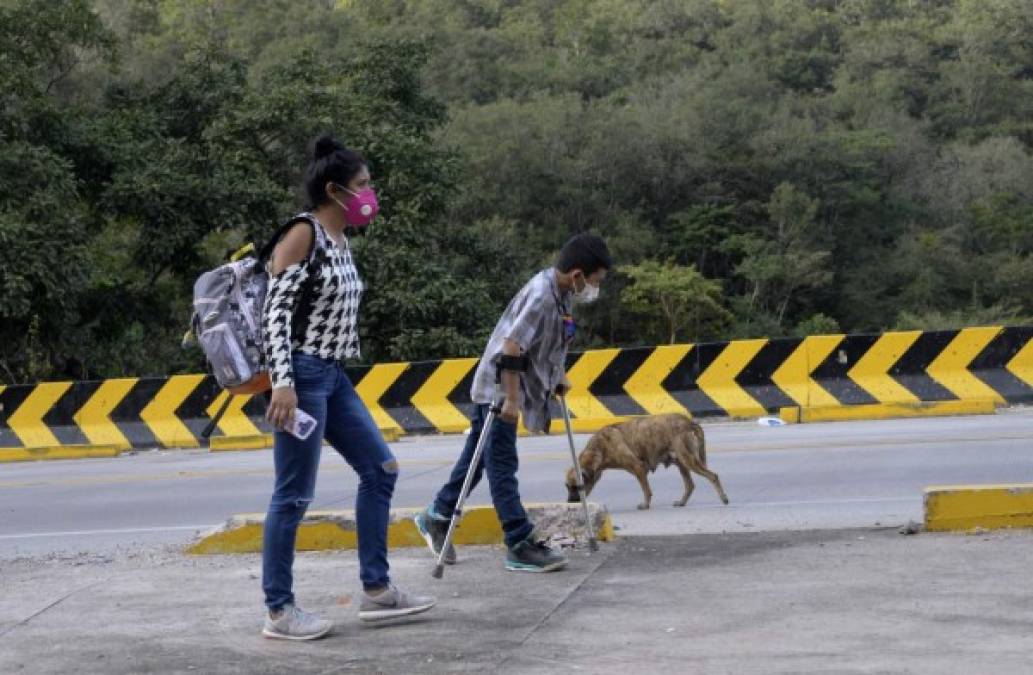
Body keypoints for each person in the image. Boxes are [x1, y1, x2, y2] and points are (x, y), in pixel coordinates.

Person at [260, 136, 435, 640]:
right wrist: (284, 384)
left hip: (332, 375)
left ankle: (377, 591)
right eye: (362, 185)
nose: (370, 193)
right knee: (293, 495)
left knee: (381, 469)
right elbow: (276, 314)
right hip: (303, 376)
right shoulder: (303, 233)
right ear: (334, 190)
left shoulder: (340, 240)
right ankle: (278, 610)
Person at [415, 233, 612, 572]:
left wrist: (557, 375)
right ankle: (518, 541)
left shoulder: (561, 295)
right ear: (578, 274)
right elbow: (511, 348)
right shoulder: (541, 296)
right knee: (502, 465)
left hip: (509, 388)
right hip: (499, 391)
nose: (595, 287)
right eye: (595, 280)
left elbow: (549, 343)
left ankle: (438, 515)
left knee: (478, 460)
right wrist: (511, 399)